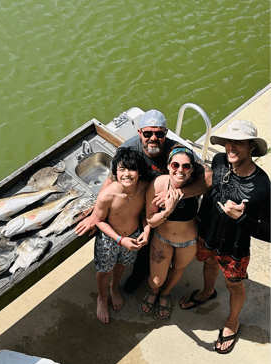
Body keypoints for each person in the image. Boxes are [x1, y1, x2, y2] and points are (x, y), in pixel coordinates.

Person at [75, 109, 212, 294]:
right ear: (139, 133)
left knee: (154, 244)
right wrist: (95, 214)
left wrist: (176, 194)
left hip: (164, 209)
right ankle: (138, 274)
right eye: (148, 133)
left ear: (165, 133)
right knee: (141, 244)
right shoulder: (129, 149)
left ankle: (150, 275)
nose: (153, 138)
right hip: (139, 206)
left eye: (159, 133)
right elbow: (112, 178)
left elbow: (208, 178)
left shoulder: (175, 149)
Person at [179, 120, 270, 354]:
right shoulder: (219, 161)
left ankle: (232, 322)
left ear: (251, 147)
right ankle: (208, 291)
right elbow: (210, 190)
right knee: (208, 262)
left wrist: (241, 219)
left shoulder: (261, 185)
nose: (231, 147)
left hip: (235, 246)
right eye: (229, 141)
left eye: (239, 142)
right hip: (209, 234)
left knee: (234, 284)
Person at [140, 146, 200, 318]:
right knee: (156, 279)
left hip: (188, 241)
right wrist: (167, 211)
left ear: (192, 169)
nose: (180, 170)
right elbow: (151, 220)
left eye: (186, 166)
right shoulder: (158, 184)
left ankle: (166, 293)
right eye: (175, 165)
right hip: (162, 238)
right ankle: (154, 291)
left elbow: (208, 181)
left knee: (178, 269)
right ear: (168, 166)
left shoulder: (196, 186)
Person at [93, 147, 151, 323]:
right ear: (115, 173)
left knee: (121, 264)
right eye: (122, 169)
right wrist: (119, 239)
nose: (127, 174)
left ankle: (114, 287)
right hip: (110, 239)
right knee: (105, 270)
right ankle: (101, 297)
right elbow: (98, 220)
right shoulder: (107, 195)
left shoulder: (144, 188)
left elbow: (144, 213)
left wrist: (146, 229)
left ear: (139, 172)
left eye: (132, 169)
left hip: (133, 235)